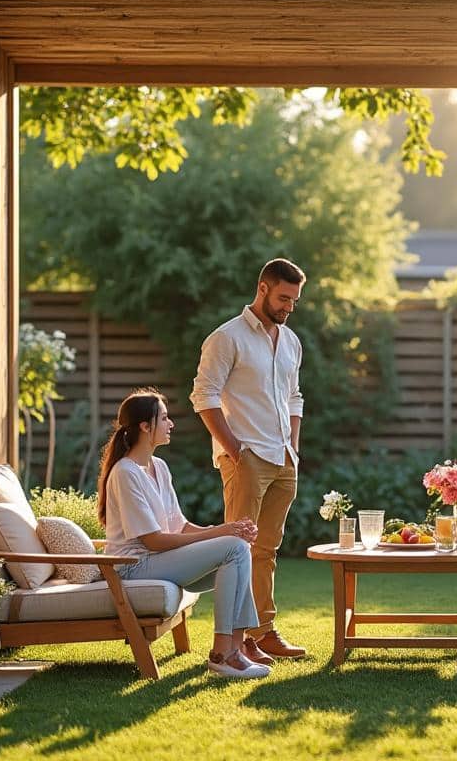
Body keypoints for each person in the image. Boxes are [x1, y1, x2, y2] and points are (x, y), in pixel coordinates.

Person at [97, 387, 268, 679]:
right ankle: (222, 655)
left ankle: (235, 650)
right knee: (234, 547)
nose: (171, 424)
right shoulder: (125, 473)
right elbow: (153, 540)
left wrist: (228, 532)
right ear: (145, 426)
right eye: (164, 418)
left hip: (158, 561)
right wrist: (224, 532)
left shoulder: (158, 467)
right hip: (133, 568)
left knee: (237, 548)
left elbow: (180, 525)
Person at [190, 258, 307, 663]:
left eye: (294, 300)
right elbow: (204, 397)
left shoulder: (291, 342)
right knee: (239, 549)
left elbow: (294, 397)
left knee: (267, 550)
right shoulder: (227, 338)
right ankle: (236, 641)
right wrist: (235, 450)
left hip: (282, 457)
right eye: (283, 298)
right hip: (247, 458)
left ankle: (263, 632)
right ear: (262, 288)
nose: (289, 306)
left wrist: (293, 445)